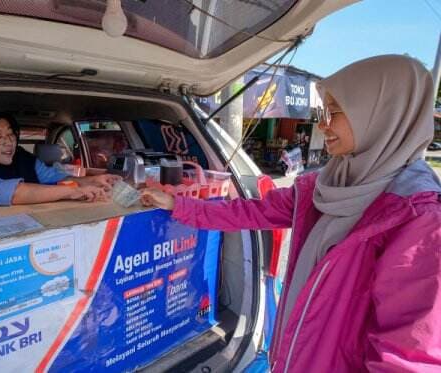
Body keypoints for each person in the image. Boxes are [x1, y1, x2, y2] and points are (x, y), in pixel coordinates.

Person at [141, 55, 441, 372]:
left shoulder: (418, 218)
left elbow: (408, 357)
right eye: (323, 112)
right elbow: (248, 211)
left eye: (335, 112)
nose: (322, 124)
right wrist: (177, 204)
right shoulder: (326, 184)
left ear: (382, 114)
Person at [0, 107, 121, 205]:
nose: (9, 142)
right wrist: (72, 191)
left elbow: (57, 178)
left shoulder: (23, 158)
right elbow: (13, 193)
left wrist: (92, 181)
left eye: (11, 134)